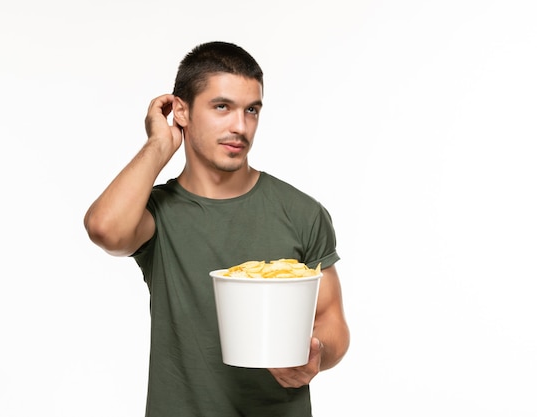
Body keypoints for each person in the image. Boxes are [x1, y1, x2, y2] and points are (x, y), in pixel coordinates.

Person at [84, 41, 350, 417]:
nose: (240, 127)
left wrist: (315, 355)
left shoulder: (302, 212)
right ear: (182, 110)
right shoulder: (157, 213)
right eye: (222, 107)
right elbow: (104, 230)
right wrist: (160, 145)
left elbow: (332, 320)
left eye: (252, 110)